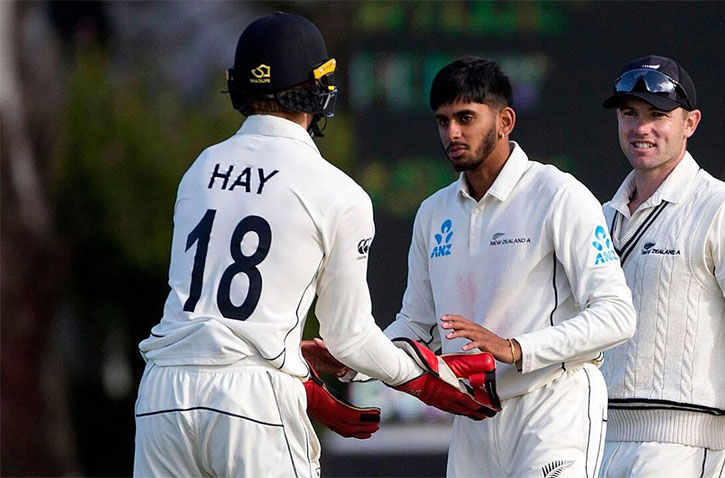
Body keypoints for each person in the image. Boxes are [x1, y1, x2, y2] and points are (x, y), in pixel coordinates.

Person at [132, 13, 498, 478]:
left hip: (163, 393)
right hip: (253, 401)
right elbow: (349, 337)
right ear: (317, 89)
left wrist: (298, 368)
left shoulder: (201, 169)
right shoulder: (338, 192)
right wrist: (428, 379)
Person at [315, 56, 637, 477]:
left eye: (466, 118)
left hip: (552, 408)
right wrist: (352, 358)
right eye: (442, 121)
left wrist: (516, 348)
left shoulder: (558, 194)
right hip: (472, 417)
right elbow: (416, 328)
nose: (452, 132)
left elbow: (617, 315)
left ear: (505, 121)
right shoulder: (434, 212)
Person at [596, 55, 725, 478]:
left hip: (685, 449)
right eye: (630, 114)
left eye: (657, 115)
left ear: (690, 123)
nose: (641, 128)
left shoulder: (724, 210)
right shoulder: (602, 217)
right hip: (597, 442)